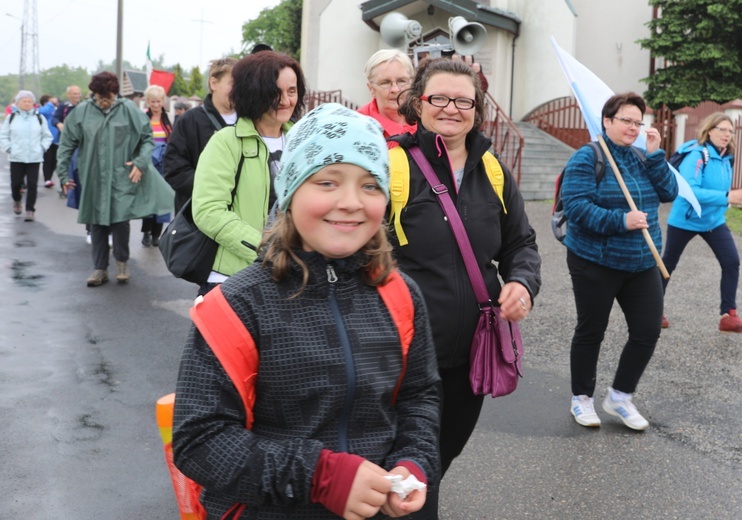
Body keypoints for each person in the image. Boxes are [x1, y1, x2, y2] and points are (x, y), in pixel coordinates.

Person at [172, 103, 441, 519]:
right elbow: (200, 440)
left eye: (371, 186)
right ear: (291, 191)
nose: (351, 202)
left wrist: (413, 461)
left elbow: (419, 396)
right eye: (328, 181)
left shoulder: (399, 293)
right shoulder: (238, 306)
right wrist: (321, 476)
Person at [391, 57, 541, 514]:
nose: (451, 108)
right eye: (439, 97)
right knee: (413, 470)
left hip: (472, 358)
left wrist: (522, 282)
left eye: (464, 100)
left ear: (477, 109)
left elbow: (522, 243)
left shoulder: (492, 170)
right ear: (419, 102)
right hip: (405, 354)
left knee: (438, 459)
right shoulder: (391, 166)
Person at [561, 92, 678, 431]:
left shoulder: (643, 157)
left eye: (638, 122)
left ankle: (620, 396)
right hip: (595, 261)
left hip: (642, 261)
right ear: (607, 121)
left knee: (647, 330)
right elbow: (577, 208)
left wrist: (657, 156)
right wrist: (621, 220)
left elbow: (669, 193)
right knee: (591, 330)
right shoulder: (588, 157)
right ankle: (581, 398)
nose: (633, 127)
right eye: (626, 120)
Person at [191, 51, 305, 295]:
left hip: (293, 274)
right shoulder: (225, 142)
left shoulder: (304, 139)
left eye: (292, 91)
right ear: (254, 91)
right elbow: (208, 211)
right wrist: (265, 248)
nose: (285, 100)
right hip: (232, 279)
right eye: (275, 92)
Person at [56, 72, 173, 287]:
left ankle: (121, 263)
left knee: (120, 220)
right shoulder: (82, 113)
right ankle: (99, 269)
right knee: (97, 222)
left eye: (108, 95)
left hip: (121, 176)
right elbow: (66, 145)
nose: (104, 100)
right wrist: (63, 174)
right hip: (92, 176)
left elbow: (147, 139)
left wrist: (139, 162)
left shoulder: (128, 110)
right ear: (93, 93)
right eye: (99, 95)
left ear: (115, 93)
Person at [661, 112, 742, 332]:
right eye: (721, 130)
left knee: (731, 261)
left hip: (713, 220)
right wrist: (728, 197)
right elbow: (690, 191)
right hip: (685, 219)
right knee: (668, 263)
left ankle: (728, 315)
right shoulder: (697, 155)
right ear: (709, 130)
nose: (726, 135)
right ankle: (653, 309)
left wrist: (728, 199)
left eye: (730, 131)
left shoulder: (728, 157)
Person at [163, 57, 238, 215]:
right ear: (213, 83)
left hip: (239, 217)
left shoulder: (249, 122)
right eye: (232, 83)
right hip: (197, 218)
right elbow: (173, 169)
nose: (238, 90)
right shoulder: (189, 121)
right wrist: (213, 186)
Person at [0, 90, 53, 222]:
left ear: (33, 103)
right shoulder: (11, 118)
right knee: (16, 183)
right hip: (16, 156)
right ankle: (17, 200)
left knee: (32, 184)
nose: (27, 103)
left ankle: (30, 210)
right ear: (18, 103)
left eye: (30, 101)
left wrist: (42, 148)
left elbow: (47, 136)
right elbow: (4, 135)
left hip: (34, 157)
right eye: (24, 101)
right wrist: (9, 148)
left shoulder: (39, 118)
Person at [358, 49, 417, 146]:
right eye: (385, 82)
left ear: (411, 83)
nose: (395, 89)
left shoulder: (426, 117)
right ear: (371, 89)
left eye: (402, 81)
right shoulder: (358, 126)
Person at [140, 85, 173, 247]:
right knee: (148, 200)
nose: (155, 105)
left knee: (161, 199)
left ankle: (156, 235)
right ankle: (146, 232)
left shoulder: (167, 120)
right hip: (147, 165)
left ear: (163, 101)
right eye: (152, 101)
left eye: (158, 101)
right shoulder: (142, 118)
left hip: (163, 165)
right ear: (147, 101)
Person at [37, 94, 60, 188]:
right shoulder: (44, 110)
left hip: (56, 139)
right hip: (46, 140)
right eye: (50, 101)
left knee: (54, 160)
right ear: (45, 102)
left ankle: (49, 178)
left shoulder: (54, 110)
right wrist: (50, 103)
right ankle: (47, 179)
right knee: (47, 160)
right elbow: (41, 111)